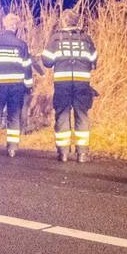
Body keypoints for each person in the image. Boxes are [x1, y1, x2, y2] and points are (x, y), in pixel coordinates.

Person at [42, 9, 97, 162]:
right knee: (82, 115)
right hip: (82, 82)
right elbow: (93, 58)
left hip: (62, 83)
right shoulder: (86, 39)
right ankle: (82, 153)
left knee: (62, 114)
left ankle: (63, 152)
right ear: (76, 21)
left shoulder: (56, 38)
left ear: (64, 21)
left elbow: (46, 61)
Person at [0, 14, 32, 157]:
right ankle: (12, 148)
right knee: (14, 115)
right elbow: (27, 67)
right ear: (15, 27)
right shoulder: (21, 44)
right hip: (17, 85)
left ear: (5, 26)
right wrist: (28, 85)